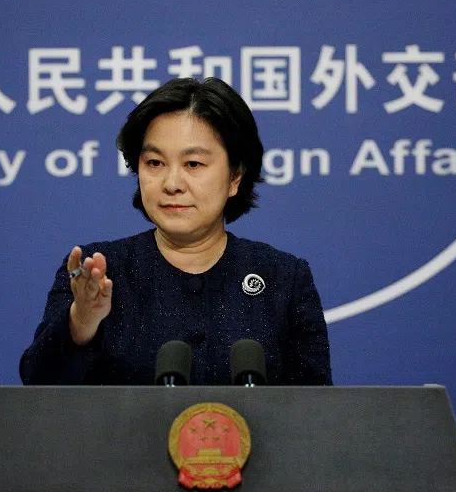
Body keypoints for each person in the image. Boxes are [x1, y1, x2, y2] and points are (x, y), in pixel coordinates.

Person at [19, 77, 332, 385]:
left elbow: (316, 414)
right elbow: (38, 386)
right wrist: (81, 321)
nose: (171, 184)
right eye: (154, 163)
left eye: (193, 164)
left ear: (235, 177)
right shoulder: (98, 271)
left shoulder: (284, 278)